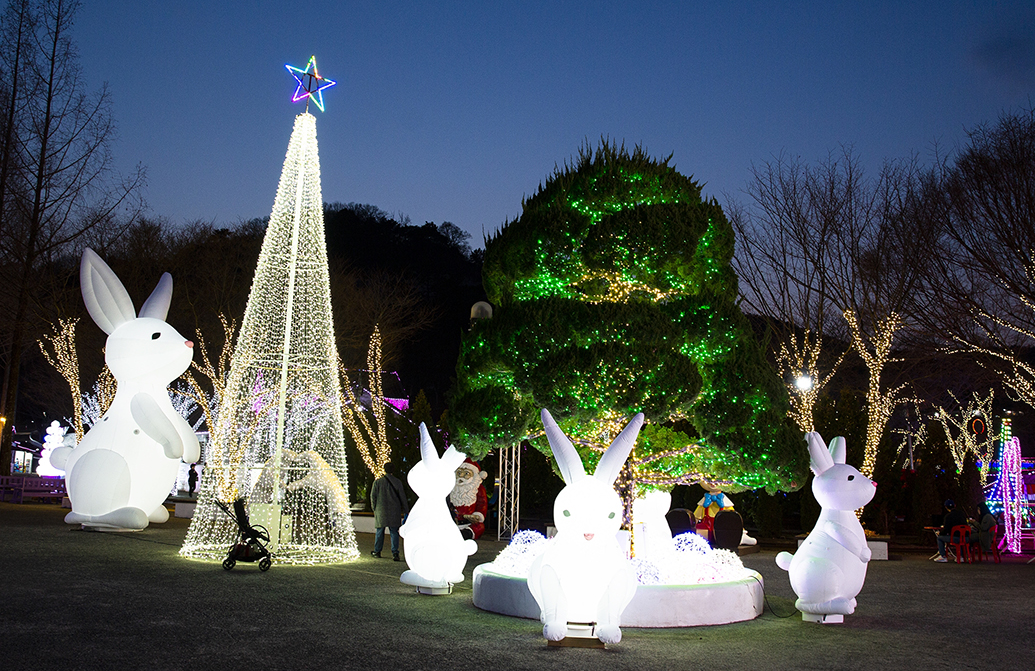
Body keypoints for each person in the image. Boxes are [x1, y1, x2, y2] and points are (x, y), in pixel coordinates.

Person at [369, 462, 409, 561]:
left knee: (379, 531)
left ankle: (377, 551)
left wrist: (375, 509)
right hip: (394, 510)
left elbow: (372, 497)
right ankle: (395, 553)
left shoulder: (378, 482)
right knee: (394, 532)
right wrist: (406, 510)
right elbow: (402, 497)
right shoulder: (397, 482)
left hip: (381, 510)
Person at [450, 458, 488, 540]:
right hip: (452, 521)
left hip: (468, 523)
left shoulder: (478, 489)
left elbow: (482, 504)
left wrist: (477, 516)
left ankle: (465, 534)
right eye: (459, 473)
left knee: (479, 527)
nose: (461, 476)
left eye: (466, 473)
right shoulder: (450, 487)